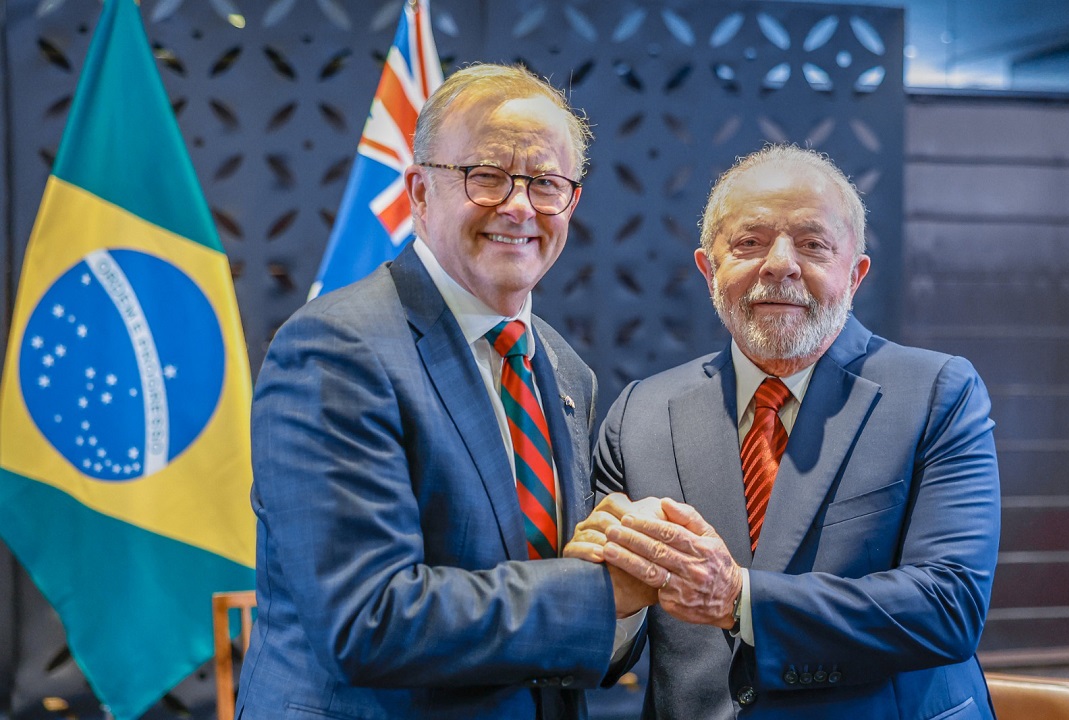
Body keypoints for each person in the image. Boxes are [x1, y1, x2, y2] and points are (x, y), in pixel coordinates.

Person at [234, 64, 648, 720]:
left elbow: (573, 604)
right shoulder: (336, 350)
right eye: (486, 175)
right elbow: (368, 621)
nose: (518, 205)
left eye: (545, 183)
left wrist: (644, 572)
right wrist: (602, 593)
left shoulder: (566, 371)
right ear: (419, 192)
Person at [570, 144, 1001, 719]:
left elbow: (949, 607)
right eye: (748, 243)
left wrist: (740, 599)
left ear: (856, 274)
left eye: (813, 244)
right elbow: (610, 636)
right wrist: (610, 599)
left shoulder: (938, 393)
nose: (779, 264)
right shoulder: (640, 414)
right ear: (709, 269)